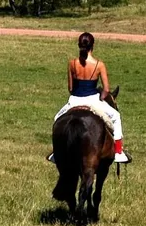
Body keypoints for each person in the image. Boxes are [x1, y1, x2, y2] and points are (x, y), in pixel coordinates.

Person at [51, 32, 129, 163]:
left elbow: (70, 88)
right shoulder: (99, 65)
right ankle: (118, 151)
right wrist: (102, 98)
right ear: (93, 46)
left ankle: (56, 152)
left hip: (75, 100)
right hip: (93, 99)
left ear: (79, 46)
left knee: (57, 119)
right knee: (115, 117)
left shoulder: (72, 63)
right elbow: (106, 89)